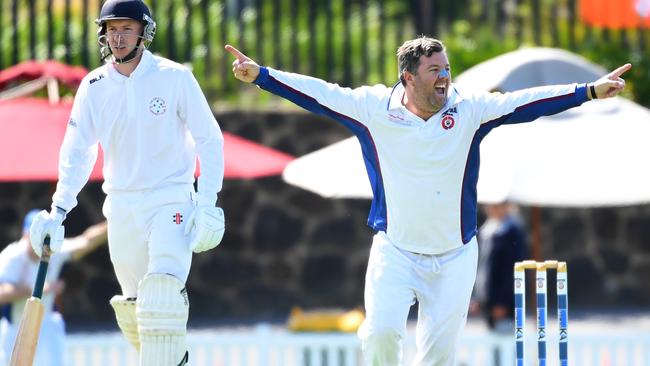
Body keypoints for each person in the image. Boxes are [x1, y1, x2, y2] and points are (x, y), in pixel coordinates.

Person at [225, 37, 630, 365]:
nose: (445, 78)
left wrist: (588, 91)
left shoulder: (469, 108)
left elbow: (525, 101)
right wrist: (262, 76)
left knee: (438, 358)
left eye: (447, 69)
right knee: (381, 336)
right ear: (408, 78)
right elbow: (316, 93)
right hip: (395, 250)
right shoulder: (372, 108)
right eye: (435, 70)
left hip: (454, 256)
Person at [28, 1, 226, 365]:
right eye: (111, 28)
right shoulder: (94, 85)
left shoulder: (175, 77)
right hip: (120, 205)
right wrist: (58, 211)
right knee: (135, 310)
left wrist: (208, 200)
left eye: (126, 28)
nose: (117, 37)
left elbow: (209, 139)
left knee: (162, 297)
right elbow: (79, 151)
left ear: (144, 31)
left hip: (171, 199)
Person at [0, 210, 107, 366]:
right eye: (35, 237)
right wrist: (38, 289)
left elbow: (85, 241)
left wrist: (112, 223)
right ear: (25, 235)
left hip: (47, 325)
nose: (39, 243)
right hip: (16, 328)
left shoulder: (53, 248)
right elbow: (2, 293)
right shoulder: (11, 256)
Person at [471, 201, 528, 364]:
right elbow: (482, 268)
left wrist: (502, 302)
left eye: (496, 205)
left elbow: (512, 271)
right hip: (487, 303)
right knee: (493, 350)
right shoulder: (486, 231)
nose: (491, 208)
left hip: (504, 305)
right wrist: (477, 297)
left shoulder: (513, 231)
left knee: (507, 349)